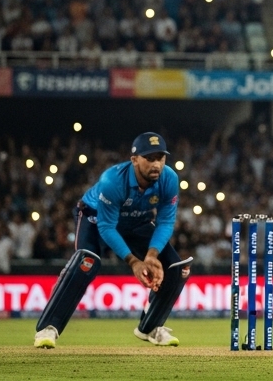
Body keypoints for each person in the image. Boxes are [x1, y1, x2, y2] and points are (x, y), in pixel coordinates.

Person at [34, 132, 190, 348]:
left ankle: (151, 327)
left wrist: (152, 255)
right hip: (94, 215)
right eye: (149, 158)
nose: (156, 164)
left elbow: (165, 221)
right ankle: (48, 328)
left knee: (175, 267)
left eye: (160, 158)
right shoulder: (112, 180)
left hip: (136, 219)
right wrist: (134, 261)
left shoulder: (169, 178)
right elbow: (106, 226)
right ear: (134, 159)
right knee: (85, 262)